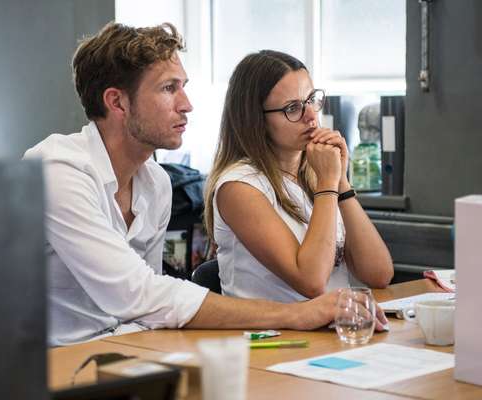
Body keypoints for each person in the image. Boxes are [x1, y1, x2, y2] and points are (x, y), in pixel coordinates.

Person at [24, 23, 388, 346]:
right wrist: (295, 315)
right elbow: (138, 295)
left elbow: (150, 307)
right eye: (169, 89)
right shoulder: (59, 170)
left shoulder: (156, 183)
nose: (187, 105)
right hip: (49, 363)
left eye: (184, 87)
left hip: (122, 348)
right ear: (117, 102)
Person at [204, 50, 394, 304]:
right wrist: (328, 185)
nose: (311, 116)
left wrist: (341, 184)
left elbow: (379, 274)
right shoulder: (239, 187)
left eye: (311, 100)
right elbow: (312, 281)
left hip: (330, 331)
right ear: (255, 120)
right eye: (293, 108)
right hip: (270, 340)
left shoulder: (316, 173)